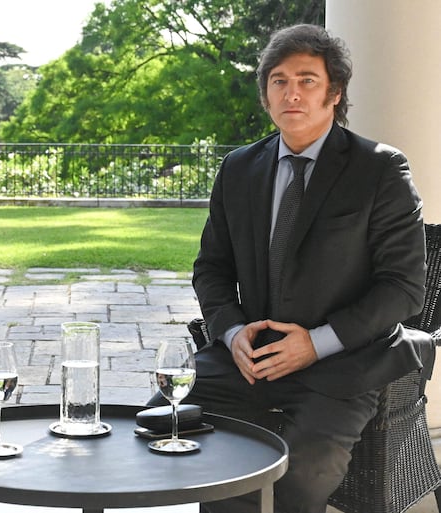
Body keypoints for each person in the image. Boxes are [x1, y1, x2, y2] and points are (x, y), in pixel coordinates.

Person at [148, 24, 432, 513]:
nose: (291, 92)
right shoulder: (238, 168)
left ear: (334, 92)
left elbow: (404, 289)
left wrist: (315, 342)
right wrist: (232, 330)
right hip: (249, 361)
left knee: (300, 473)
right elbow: (211, 269)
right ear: (265, 96)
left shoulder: (380, 169)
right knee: (159, 426)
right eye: (278, 81)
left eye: (307, 80)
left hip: (342, 363)